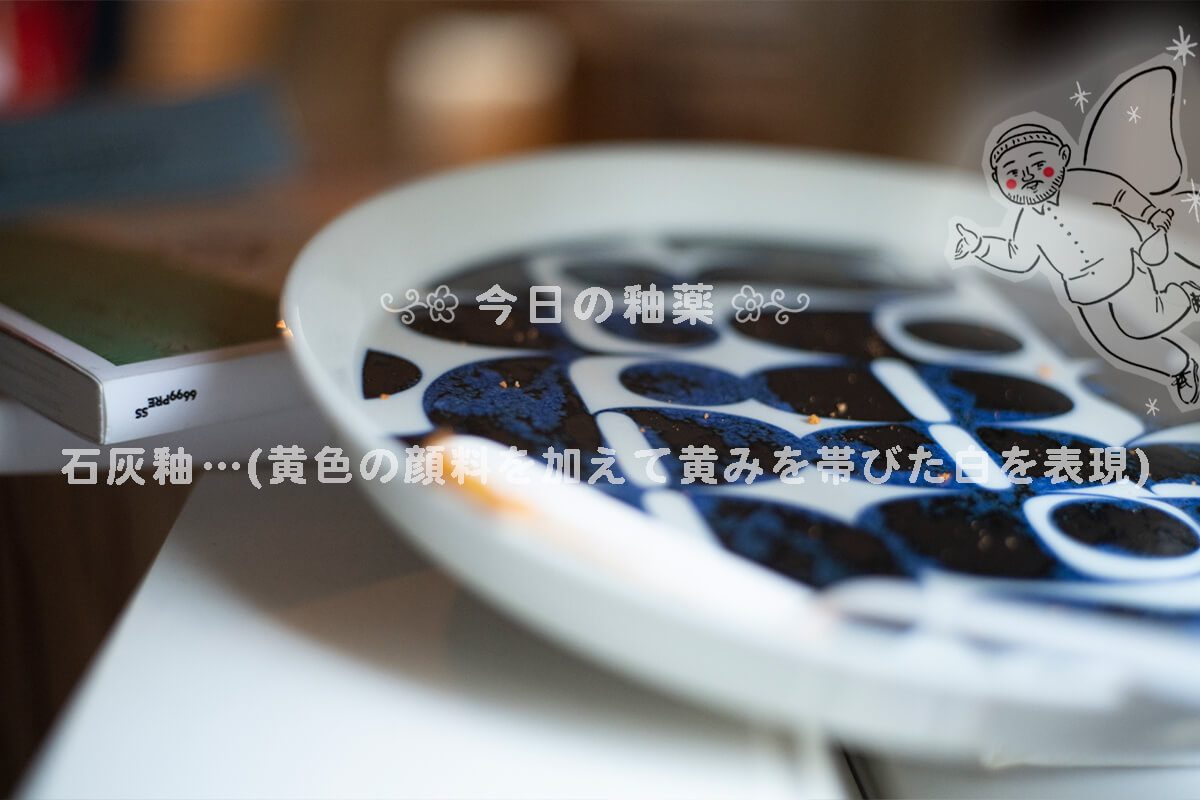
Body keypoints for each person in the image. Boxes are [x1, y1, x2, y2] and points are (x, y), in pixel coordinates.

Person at [952, 122, 1199, 404]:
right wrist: (980, 244)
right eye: (1014, 174)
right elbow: (1017, 254)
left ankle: (1187, 301)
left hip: (1125, 271)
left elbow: (1122, 194)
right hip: (1084, 296)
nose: (1028, 177)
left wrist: (1151, 214)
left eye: (1038, 165)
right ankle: (1178, 368)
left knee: (1152, 317)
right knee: (1114, 348)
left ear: (1063, 156)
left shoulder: (1085, 186)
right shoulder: (1026, 221)